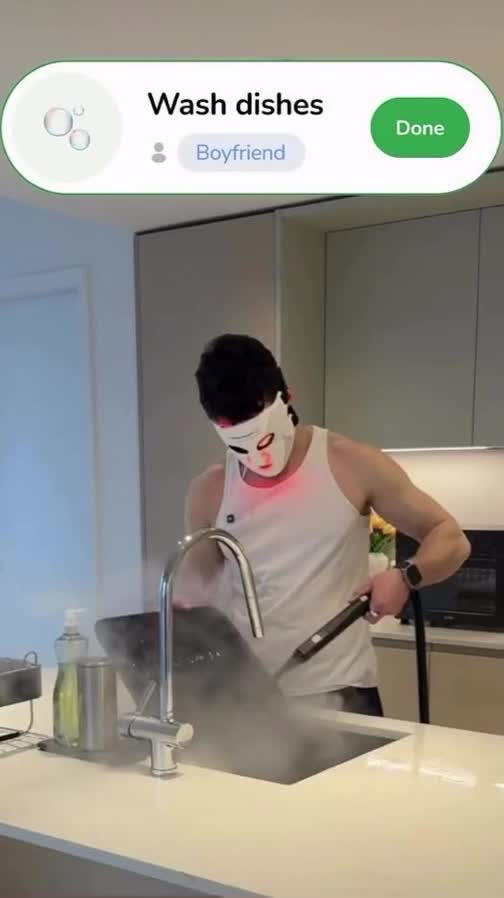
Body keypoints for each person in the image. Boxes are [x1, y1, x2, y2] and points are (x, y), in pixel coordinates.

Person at [176, 333, 470, 716]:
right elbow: (195, 595)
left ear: (287, 398)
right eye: (240, 443)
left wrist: (406, 576)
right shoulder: (210, 489)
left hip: (341, 691)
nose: (259, 456)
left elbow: (451, 538)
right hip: (250, 702)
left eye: (262, 437)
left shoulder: (351, 463)